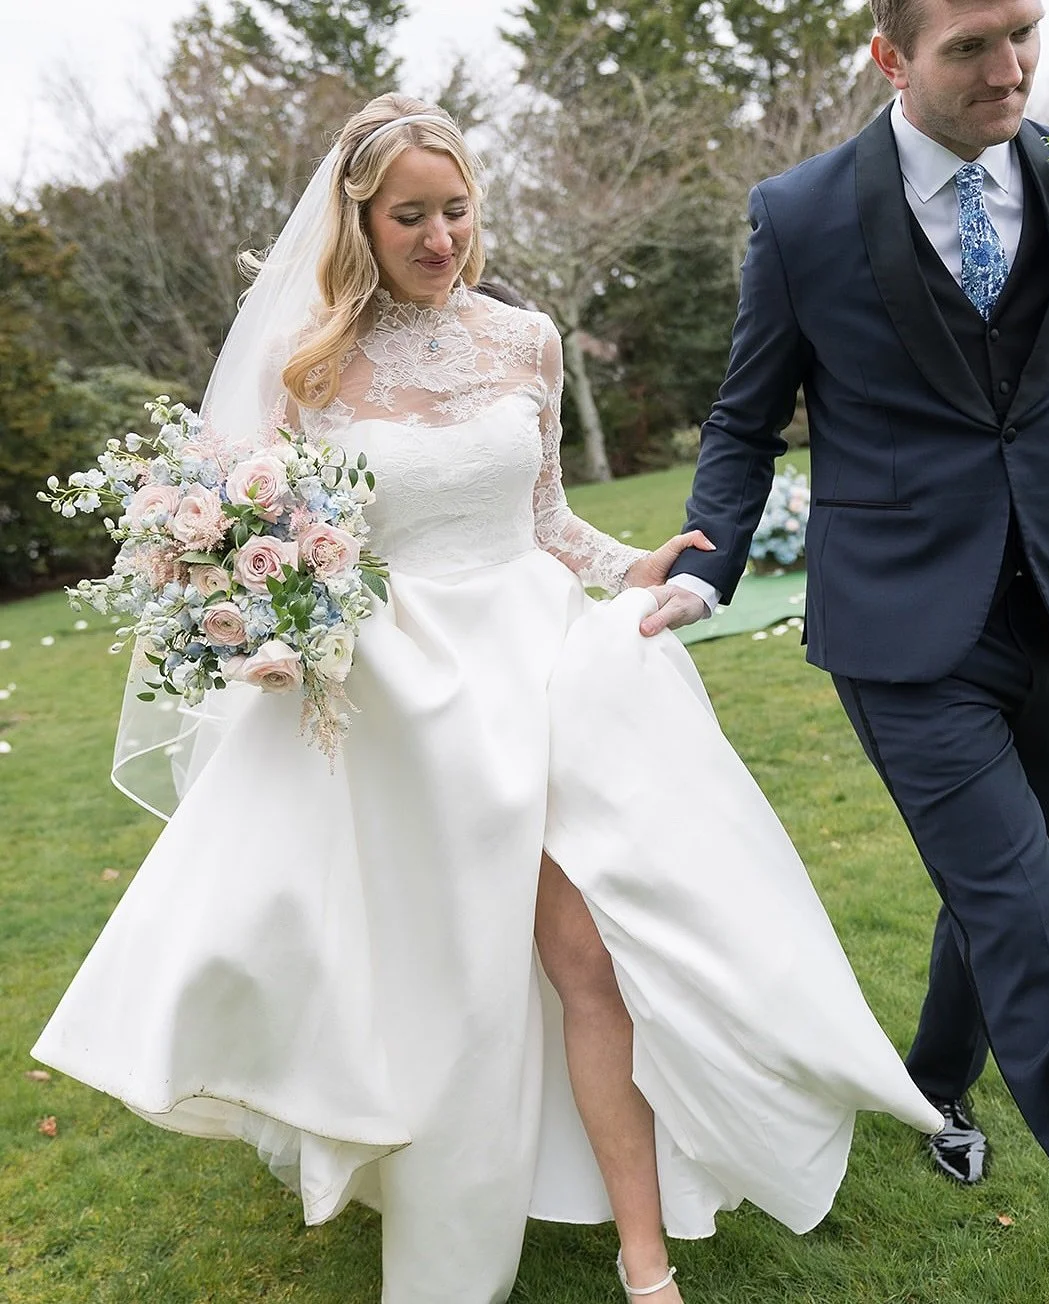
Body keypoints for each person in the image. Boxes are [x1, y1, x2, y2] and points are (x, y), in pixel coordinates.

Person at [32, 93, 942, 1304]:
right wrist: (265, 629)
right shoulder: (308, 367)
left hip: (540, 666)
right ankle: (443, 1215)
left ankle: (643, 1258)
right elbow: (282, 538)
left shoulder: (527, 341)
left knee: (587, 958)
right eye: (411, 214)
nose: (440, 236)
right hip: (406, 700)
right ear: (360, 220)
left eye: (455, 209)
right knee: (446, 979)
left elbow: (544, 519)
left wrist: (633, 566)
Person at [660, 0, 1049, 1189]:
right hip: (904, 631)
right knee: (1022, 918)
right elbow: (745, 418)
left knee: (996, 885)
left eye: (1024, 34)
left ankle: (935, 1079)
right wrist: (701, 562)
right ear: (889, 58)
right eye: (968, 48)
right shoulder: (799, 216)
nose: (1009, 71)